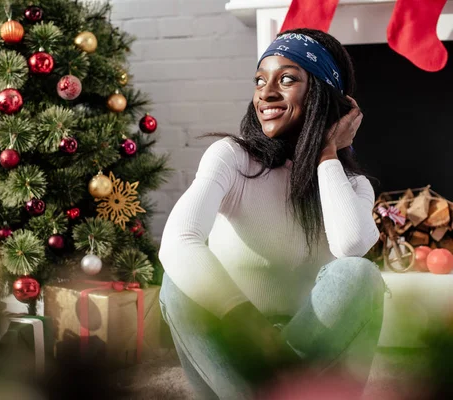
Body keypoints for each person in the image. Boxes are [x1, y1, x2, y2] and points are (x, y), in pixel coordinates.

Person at [158, 28, 385, 399]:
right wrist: (257, 335)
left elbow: (352, 244)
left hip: (315, 357)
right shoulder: (232, 158)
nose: (266, 92)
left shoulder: (352, 185)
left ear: (323, 95)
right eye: (260, 80)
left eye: (287, 79)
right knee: (176, 284)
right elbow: (177, 241)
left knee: (358, 275)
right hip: (233, 346)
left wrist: (326, 153)